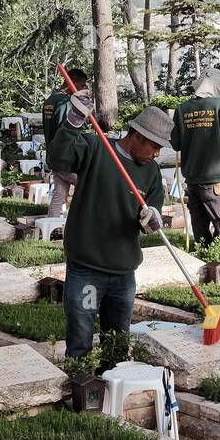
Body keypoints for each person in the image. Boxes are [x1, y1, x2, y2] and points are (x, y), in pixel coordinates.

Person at [48, 95, 169, 357]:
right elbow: (58, 160)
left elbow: (152, 213)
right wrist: (73, 121)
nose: (157, 153)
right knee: (81, 336)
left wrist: (153, 220)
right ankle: (80, 389)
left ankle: (111, 387)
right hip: (87, 270)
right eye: (155, 146)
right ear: (137, 136)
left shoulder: (151, 171)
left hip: (123, 273)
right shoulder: (96, 148)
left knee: (117, 342)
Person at [173, 68, 220, 245]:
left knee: (199, 224)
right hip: (215, 177)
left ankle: (204, 256)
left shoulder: (182, 109)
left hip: (192, 177)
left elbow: (175, 144)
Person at [43, 67, 89, 216]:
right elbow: (67, 130)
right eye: (81, 85)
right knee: (89, 185)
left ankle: (52, 224)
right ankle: (82, 219)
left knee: (59, 193)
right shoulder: (65, 102)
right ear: (72, 82)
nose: (83, 89)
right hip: (66, 156)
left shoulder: (50, 100)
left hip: (53, 155)